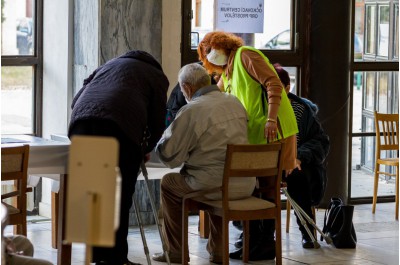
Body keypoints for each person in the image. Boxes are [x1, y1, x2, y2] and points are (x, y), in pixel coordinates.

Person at [197, 31, 298, 261]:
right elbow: (215, 95)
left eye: (210, 51)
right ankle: (253, 240)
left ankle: (264, 243)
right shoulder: (228, 71)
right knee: (253, 186)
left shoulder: (245, 55)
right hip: (255, 137)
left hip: (273, 131)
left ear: (220, 45)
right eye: (207, 57)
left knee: (268, 188)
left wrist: (271, 119)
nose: (210, 59)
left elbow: (273, 83)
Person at [68, 50, 169, 265]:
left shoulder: (108, 65)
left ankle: (98, 257)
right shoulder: (155, 76)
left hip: (81, 124)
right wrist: (145, 149)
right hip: (119, 129)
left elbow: (76, 99)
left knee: (96, 196)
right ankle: (116, 259)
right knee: (119, 197)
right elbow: (159, 120)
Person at [151, 63, 255, 264]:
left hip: (213, 185)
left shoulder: (192, 110)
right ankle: (218, 252)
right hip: (245, 183)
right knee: (217, 177)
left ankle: (176, 252)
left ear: (188, 88)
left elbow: (170, 155)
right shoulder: (234, 102)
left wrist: (160, 142)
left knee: (170, 183)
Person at [274, 63, 330, 248]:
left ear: (287, 88)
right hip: (267, 163)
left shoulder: (300, 110)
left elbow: (320, 141)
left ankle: (307, 233)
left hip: (295, 163)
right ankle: (258, 236)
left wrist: (299, 157)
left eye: (277, 88)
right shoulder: (260, 106)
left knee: (297, 177)